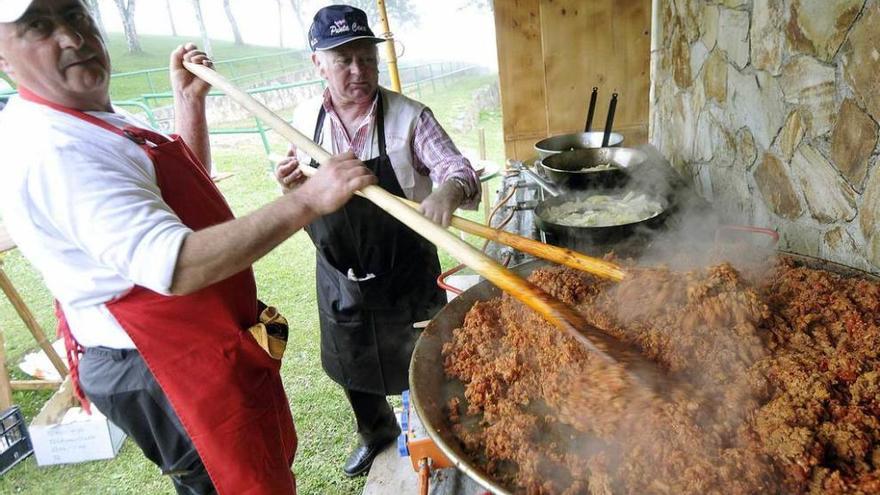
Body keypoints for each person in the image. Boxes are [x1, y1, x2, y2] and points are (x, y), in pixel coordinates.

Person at [0, 1, 376, 493]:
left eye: (76, 16)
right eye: (39, 27)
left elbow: (178, 197)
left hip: (203, 340)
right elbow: (174, 263)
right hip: (164, 365)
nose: (72, 38)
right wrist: (308, 199)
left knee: (263, 469)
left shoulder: (98, 120)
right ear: (3, 58)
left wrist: (189, 103)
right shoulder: (54, 149)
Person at [274, 4, 481, 478]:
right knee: (352, 365)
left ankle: (443, 435)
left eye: (366, 57)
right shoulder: (303, 119)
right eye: (343, 59)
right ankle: (377, 435)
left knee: (430, 363)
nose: (357, 71)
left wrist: (447, 192)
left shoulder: (409, 117)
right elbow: (300, 188)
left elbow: (457, 169)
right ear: (317, 64)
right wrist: (291, 186)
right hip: (339, 273)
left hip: (406, 268)